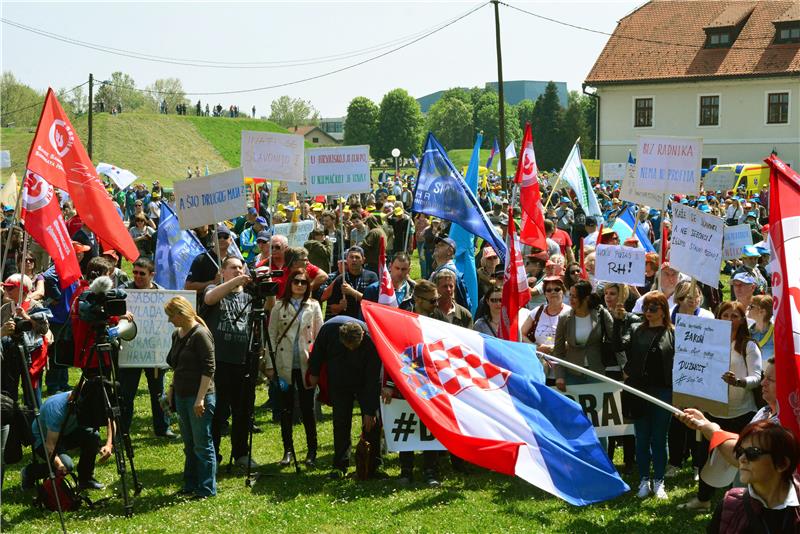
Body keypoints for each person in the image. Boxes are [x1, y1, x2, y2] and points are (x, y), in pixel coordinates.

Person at [679, 300, 763, 512]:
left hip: (742, 413)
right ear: (718, 317)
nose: (729, 320)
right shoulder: (707, 343)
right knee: (705, 457)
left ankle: (745, 501)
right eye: (725, 315)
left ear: (743, 320)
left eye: (735, 316)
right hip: (712, 411)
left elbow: (757, 376)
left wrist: (739, 382)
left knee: (741, 457)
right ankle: (703, 499)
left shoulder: (748, 345)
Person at [612, 290, 675, 500]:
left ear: (663, 310)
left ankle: (659, 480)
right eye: (645, 308)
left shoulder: (673, 333)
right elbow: (619, 345)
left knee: (659, 438)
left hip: (663, 391)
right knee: (641, 438)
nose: (648, 312)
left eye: (653, 308)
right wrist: (618, 322)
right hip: (638, 390)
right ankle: (643, 480)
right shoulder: (636, 329)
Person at [203, 257, 259, 469]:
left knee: (242, 410)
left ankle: (241, 453)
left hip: (243, 361)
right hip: (218, 361)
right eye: (233, 267)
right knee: (217, 411)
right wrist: (234, 282)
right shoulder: (214, 289)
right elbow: (209, 299)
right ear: (223, 271)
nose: (237, 270)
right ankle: (213, 454)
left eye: (240, 268)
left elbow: (266, 310)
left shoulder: (249, 296)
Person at [308, 319, 380, 479]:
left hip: (363, 380)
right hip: (338, 379)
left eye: (354, 346)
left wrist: (369, 411)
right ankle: (340, 465)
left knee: (372, 423)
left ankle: (373, 465)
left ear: (363, 335)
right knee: (340, 421)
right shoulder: (328, 331)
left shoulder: (372, 342)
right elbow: (318, 352)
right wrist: (313, 373)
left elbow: (373, 380)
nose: (351, 349)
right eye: (347, 347)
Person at [265, 270, 323, 468]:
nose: (299, 285)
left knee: (308, 409)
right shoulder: (279, 306)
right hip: (284, 363)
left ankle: (311, 450)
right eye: (296, 282)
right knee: (286, 409)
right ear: (289, 283)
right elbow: (271, 336)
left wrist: (317, 366)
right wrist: (270, 365)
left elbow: (319, 336)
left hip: (306, 364)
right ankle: (287, 450)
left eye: (304, 283)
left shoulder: (313, 306)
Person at [164, 295, 217, 498]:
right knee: (189, 444)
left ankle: (206, 488)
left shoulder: (201, 334)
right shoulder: (178, 334)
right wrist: (171, 388)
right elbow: (178, 366)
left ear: (181, 313)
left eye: (171, 316)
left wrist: (200, 399)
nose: (170, 320)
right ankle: (190, 483)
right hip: (181, 394)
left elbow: (209, 368)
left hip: (199, 396)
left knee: (202, 444)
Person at [707, 421, 800, 533]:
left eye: (753, 453)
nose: (742, 458)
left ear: (782, 464)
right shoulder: (729, 506)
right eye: (740, 451)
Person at [118, 258, 175, 439]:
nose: (137, 276)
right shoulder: (123, 292)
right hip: (130, 350)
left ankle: (163, 427)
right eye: (135, 272)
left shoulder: (162, 294)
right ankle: (122, 430)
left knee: (158, 393)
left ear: (152, 275)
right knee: (126, 394)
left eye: (142, 273)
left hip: (155, 351)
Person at [22, 379, 114, 491]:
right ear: (72, 399)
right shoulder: (56, 408)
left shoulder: (89, 402)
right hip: (43, 439)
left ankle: (85, 480)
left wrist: (109, 444)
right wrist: (59, 465)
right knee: (66, 465)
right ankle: (29, 472)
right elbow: (50, 445)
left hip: (65, 433)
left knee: (92, 436)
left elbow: (110, 419)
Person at [552, 279, 615, 392]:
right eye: (570, 295)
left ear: (586, 298)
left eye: (575, 296)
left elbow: (616, 341)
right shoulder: (564, 318)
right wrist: (559, 376)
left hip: (596, 372)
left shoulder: (601, 314)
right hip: (572, 373)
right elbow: (558, 351)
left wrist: (624, 367)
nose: (570, 299)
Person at [521, 275, 571, 385]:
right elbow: (522, 333)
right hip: (540, 367)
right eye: (549, 290)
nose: (553, 292)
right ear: (545, 294)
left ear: (563, 292)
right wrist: (537, 348)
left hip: (564, 368)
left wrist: (553, 348)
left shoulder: (570, 313)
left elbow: (575, 339)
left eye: (557, 289)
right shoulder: (537, 311)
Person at [748, 295, 774, 361]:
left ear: (762, 311)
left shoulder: (776, 333)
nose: (748, 308)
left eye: (751, 306)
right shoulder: (747, 332)